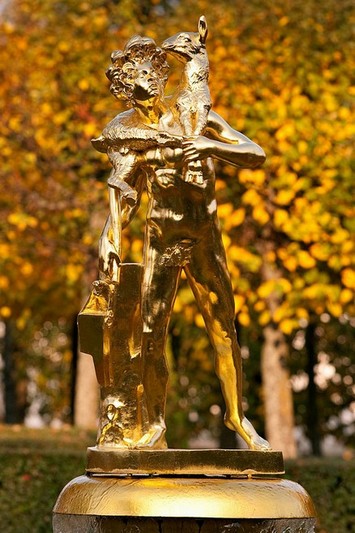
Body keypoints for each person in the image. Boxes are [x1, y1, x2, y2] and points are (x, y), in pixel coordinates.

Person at [93, 35, 271, 451]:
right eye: (137, 74)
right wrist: (110, 234)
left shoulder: (192, 109)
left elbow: (255, 152)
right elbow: (125, 189)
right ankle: (154, 425)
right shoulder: (126, 132)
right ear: (123, 86)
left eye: (153, 70)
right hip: (163, 235)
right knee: (152, 332)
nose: (149, 79)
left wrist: (209, 145)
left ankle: (238, 419)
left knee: (223, 329)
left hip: (205, 234)